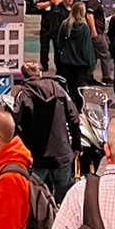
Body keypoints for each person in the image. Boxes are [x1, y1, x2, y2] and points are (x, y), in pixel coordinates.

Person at [13, 61, 81, 203]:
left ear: (24, 75)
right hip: (61, 153)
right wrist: (76, 144)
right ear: (40, 73)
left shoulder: (22, 95)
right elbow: (74, 117)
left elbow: (14, 125)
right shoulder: (58, 89)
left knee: (37, 203)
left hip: (36, 157)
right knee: (65, 202)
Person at [56, 1, 97, 111]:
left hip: (67, 63)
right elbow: (87, 48)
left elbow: (59, 43)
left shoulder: (65, 25)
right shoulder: (84, 28)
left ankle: (68, 109)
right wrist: (91, 64)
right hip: (81, 64)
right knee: (79, 89)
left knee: (68, 88)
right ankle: (78, 111)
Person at [87, 0, 113, 84]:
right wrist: (93, 31)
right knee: (105, 54)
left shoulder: (97, 1)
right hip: (97, 33)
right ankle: (106, 77)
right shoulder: (93, 1)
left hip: (100, 31)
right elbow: (89, 15)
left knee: (93, 55)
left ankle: (89, 76)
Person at [36, 0, 62, 71]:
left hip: (56, 25)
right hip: (45, 24)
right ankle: (44, 65)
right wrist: (50, 2)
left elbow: (58, 2)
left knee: (57, 47)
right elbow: (39, 6)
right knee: (44, 47)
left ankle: (59, 66)